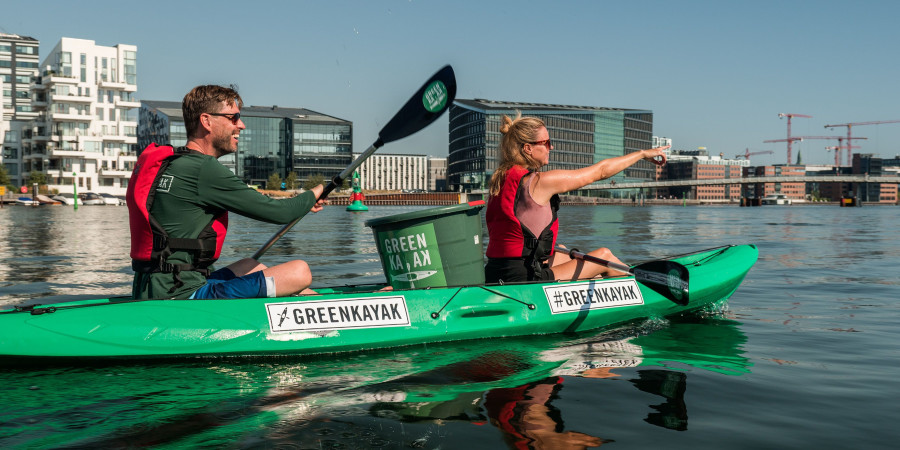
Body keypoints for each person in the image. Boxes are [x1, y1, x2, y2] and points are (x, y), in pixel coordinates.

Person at [127, 84, 326, 300]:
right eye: (233, 117)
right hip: (180, 296)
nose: (241, 125)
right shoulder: (203, 169)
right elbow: (280, 212)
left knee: (250, 265)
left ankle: (324, 306)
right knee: (299, 272)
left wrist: (303, 203)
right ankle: (334, 317)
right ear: (206, 121)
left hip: (156, 286)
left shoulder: (175, 163)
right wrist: (316, 191)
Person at [484, 113, 668, 284]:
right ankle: (646, 289)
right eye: (546, 143)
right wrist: (642, 154)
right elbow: (601, 171)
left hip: (495, 272)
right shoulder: (540, 181)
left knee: (562, 252)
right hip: (524, 278)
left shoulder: (499, 180)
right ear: (528, 148)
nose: (551, 147)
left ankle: (603, 285)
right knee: (604, 257)